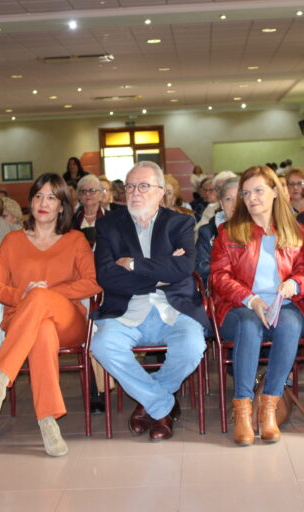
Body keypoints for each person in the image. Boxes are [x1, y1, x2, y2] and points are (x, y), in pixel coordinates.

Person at [0, 173, 101, 456]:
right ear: (30, 202)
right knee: (41, 331)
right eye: (38, 196)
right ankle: (48, 421)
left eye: (52, 197)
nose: (44, 202)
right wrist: (23, 295)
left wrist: (47, 294)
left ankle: (0, 379)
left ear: (62, 206)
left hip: (67, 319)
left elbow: (92, 282)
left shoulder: (75, 240)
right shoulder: (13, 241)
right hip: (23, 320)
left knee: (42, 301)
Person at [90, 161, 209, 441]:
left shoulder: (180, 222)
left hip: (173, 308)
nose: (135, 193)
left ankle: (148, 404)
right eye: (130, 186)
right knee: (103, 345)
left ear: (161, 192)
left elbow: (181, 270)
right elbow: (106, 276)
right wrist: (158, 273)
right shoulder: (108, 225)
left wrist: (133, 265)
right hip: (126, 309)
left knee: (193, 346)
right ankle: (162, 406)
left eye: (144, 186)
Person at [210, 166, 304, 446]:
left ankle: (269, 409)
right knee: (249, 323)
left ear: (274, 193)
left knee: (291, 323)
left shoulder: (294, 229)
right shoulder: (229, 231)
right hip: (239, 306)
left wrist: (295, 284)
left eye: (258, 190)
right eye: (246, 192)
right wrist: (250, 298)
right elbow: (219, 276)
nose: (251, 197)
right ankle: (243, 410)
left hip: (282, 305)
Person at [196, 177, 238, 285]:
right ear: (221, 204)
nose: (235, 204)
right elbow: (202, 270)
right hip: (221, 292)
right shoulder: (208, 232)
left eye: (239, 198)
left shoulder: (258, 229)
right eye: (229, 199)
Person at [73, 174, 106, 246]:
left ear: (101, 195)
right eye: (83, 191)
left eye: (92, 190)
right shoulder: (72, 220)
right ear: (79, 196)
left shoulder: (111, 218)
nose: (87, 194)